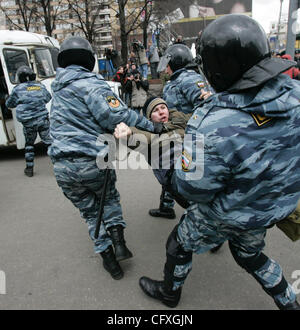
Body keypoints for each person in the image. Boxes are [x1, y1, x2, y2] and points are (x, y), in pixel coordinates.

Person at [138, 14, 300, 310]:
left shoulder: (213, 124)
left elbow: (194, 190)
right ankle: (289, 301)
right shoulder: (296, 96)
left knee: (179, 243)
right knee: (249, 254)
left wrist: (168, 167)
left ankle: (169, 294)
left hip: (230, 209)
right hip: (271, 205)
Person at [48, 36, 160, 281]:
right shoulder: (91, 84)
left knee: (90, 214)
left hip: (61, 167)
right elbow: (117, 115)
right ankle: (119, 244)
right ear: (89, 59)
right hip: (91, 160)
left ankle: (109, 261)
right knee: (108, 199)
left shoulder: (57, 91)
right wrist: (151, 126)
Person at [150, 43, 210, 219]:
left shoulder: (189, 79)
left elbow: (205, 109)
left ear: (174, 62)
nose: (166, 69)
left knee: (188, 179)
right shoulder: (178, 79)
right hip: (177, 137)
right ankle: (166, 206)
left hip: (189, 139)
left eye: (167, 64)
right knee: (169, 171)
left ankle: (203, 218)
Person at [6, 65, 52, 177]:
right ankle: (59, 167)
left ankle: (29, 169)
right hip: (43, 120)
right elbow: (48, 97)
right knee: (50, 144)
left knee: (29, 145)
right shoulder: (39, 86)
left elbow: (9, 104)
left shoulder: (17, 89)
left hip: (29, 122)